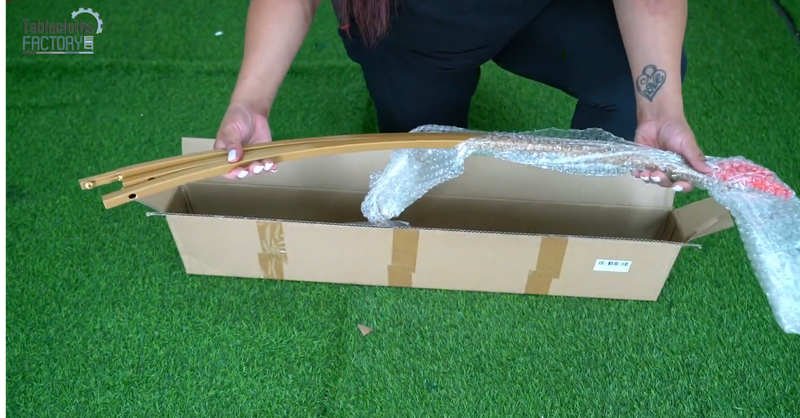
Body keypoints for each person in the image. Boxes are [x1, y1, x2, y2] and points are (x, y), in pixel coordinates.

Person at [214, 0, 714, 192]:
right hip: (410, 28)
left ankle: (585, 203)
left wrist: (660, 108)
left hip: (538, 10)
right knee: (423, 178)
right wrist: (251, 101)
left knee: (628, 87)